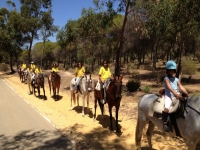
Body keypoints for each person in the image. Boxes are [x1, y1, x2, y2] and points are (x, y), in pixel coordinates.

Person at [162, 60, 189, 132]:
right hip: (168, 96)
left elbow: (181, 86)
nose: (171, 71)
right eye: (170, 70)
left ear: (174, 71)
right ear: (167, 71)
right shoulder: (166, 79)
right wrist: (178, 95)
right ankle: (165, 123)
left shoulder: (176, 79)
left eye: (172, 70)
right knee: (167, 107)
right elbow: (170, 89)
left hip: (176, 94)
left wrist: (186, 92)